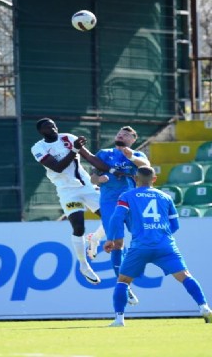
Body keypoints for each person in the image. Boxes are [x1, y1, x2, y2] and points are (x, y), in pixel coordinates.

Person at [104, 166, 212, 327]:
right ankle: (204, 307)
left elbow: (116, 218)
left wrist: (112, 239)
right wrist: (161, 234)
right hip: (165, 246)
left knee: (123, 281)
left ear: (135, 179)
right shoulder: (165, 197)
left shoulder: (127, 196)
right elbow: (175, 225)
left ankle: (119, 319)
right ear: (154, 179)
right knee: (185, 276)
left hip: (140, 246)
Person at [79, 126, 150, 306]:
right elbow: (93, 178)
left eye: (126, 134)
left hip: (132, 202)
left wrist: (130, 157)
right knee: (117, 244)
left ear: (133, 139)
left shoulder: (137, 155)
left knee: (141, 240)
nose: (121, 135)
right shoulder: (104, 153)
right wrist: (99, 180)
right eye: (119, 133)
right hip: (110, 204)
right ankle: (124, 286)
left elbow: (147, 169)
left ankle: (95, 239)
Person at [31, 118, 101, 285]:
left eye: (54, 125)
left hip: (87, 187)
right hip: (67, 192)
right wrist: (74, 150)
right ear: (41, 132)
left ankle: (95, 239)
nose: (53, 128)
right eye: (48, 127)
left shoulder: (68, 138)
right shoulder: (38, 148)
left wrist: (110, 169)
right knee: (78, 226)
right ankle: (84, 265)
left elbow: (89, 157)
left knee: (112, 218)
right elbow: (57, 167)